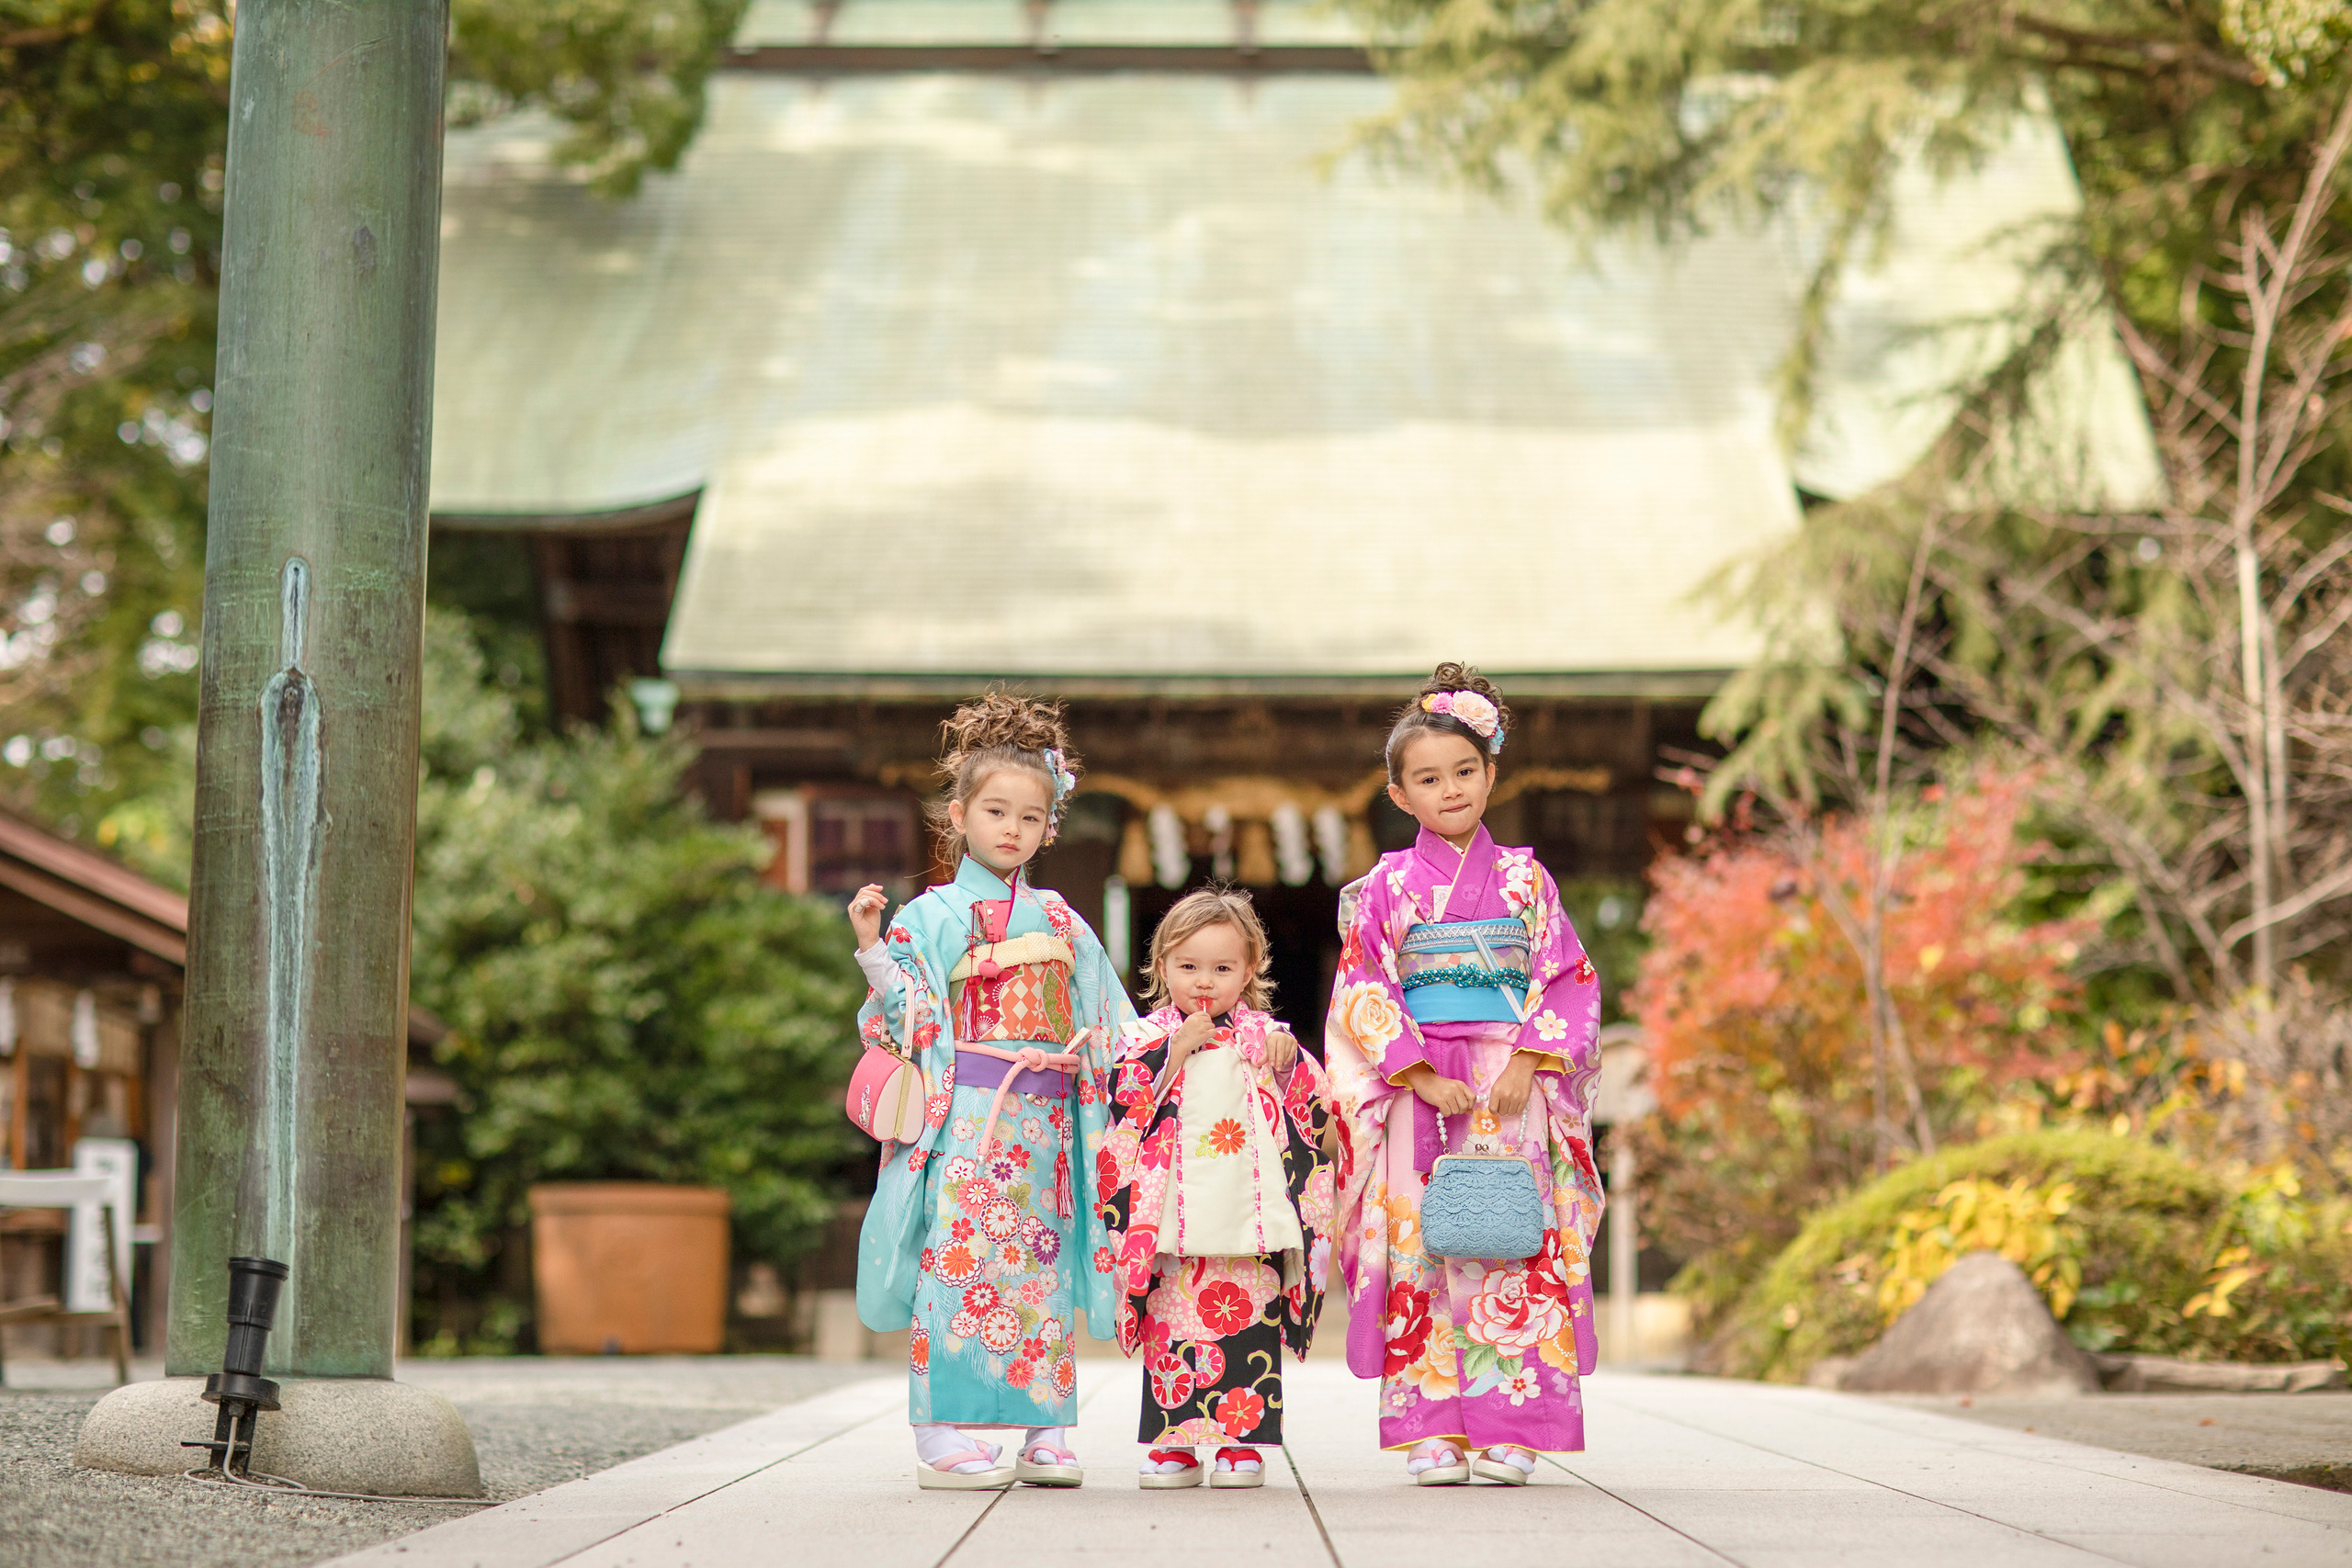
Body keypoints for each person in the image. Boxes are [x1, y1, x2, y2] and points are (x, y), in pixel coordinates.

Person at [1323, 663, 1605, 1486]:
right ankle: (1433, 1429)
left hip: (1511, 1084)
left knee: (1514, 1237)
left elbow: (1568, 976)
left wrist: (1527, 1059)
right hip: (1421, 1087)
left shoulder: (1526, 878)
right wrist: (1410, 1069)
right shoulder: (1386, 885)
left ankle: (1516, 1426)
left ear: (1492, 774)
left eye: (1465, 771)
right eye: (1428, 778)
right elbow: (1363, 983)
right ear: (1399, 793)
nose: (1450, 789)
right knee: (1422, 1242)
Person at [848, 693, 1134, 1492]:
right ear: (959, 815)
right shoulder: (931, 915)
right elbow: (901, 1016)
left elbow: (1111, 1014)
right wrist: (875, 951)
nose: (1013, 828)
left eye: (1031, 816)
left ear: (1051, 826)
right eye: (996, 810)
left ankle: (1046, 1428)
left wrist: (1169, 1043)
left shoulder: (1060, 918)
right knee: (958, 1260)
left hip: (1046, 1123)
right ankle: (939, 1428)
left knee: (1041, 1267)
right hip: (968, 1118)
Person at [1096, 886, 1334, 1490]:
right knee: (1173, 1320)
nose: (1205, 980)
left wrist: (1285, 1064)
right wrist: (1173, 1052)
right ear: (1161, 965)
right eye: (1189, 966)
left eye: (1223, 967)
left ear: (1250, 968)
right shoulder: (1143, 1037)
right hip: (1171, 1210)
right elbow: (1120, 1107)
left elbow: (1315, 1111)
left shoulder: (1265, 1034)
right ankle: (1174, 1442)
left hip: (1248, 1215)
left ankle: (1241, 1439)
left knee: (1247, 1316)